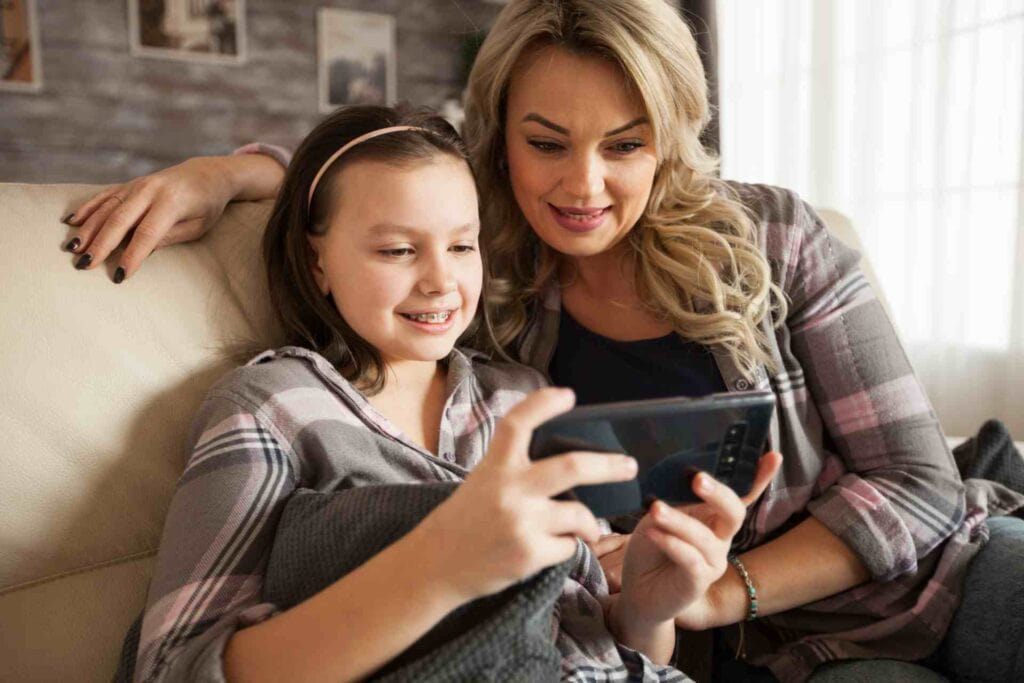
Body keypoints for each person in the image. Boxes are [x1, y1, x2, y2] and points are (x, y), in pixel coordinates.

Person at [66, 1, 1024, 681]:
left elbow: (917, 484)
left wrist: (711, 595)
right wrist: (225, 174)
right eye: (546, 142)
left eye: (626, 143)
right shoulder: (495, 283)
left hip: (930, 565)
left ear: (673, 137)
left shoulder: (771, 237)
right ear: (499, 143)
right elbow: (375, 187)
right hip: (782, 657)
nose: (584, 185)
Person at [119, 103, 779, 682]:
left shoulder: (522, 398)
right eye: (399, 251)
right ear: (317, 259)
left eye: (462, 246)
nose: (441, 281)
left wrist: (646, 605)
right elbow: (173, 667)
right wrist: (443, 566)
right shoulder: (274, 406)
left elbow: (625, 645)